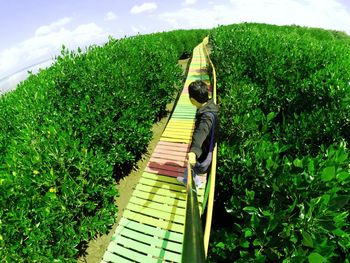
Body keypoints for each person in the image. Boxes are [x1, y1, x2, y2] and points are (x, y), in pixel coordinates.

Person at [177, 80, 219, 188]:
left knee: (191, 164)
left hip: (203, 152)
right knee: (191, 165)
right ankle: (194, 181)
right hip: (209, 146)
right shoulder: (211, 105)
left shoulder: (206, 117)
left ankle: (192, 182)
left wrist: (194, 151)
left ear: (192, 100)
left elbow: (201, 132)